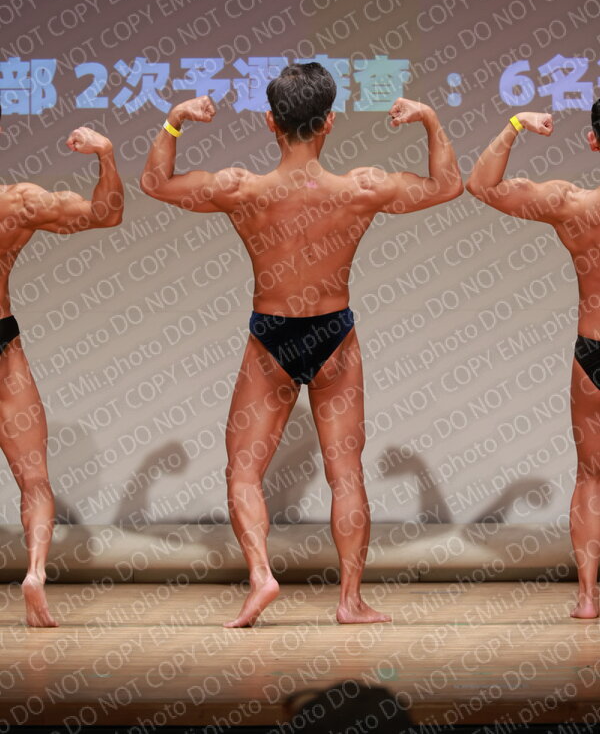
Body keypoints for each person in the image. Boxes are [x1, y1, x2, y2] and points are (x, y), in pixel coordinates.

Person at [141, 62, 463, 627]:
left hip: (271, 334)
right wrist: (431, 120)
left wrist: (174, 121)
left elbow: (155, 183)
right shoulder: (359, 189)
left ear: (271, 122)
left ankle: (261, 576)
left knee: (243, 472)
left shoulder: (243, 189)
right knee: (346, 474)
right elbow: (447, 186)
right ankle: (349, 601)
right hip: (334, 333)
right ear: (329, 122)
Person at [466, 102, 600, 619]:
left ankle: (587, 597)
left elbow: (481, 185)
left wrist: (516, 125)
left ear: (593, 141)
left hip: (593, 350)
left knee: (591, 476)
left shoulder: (571, 204)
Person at [0, 116, 124, 626]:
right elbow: (105, 214)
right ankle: (34, 573)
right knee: (34, 481)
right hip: (2, 344)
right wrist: (106, 154)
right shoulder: (15, 202)